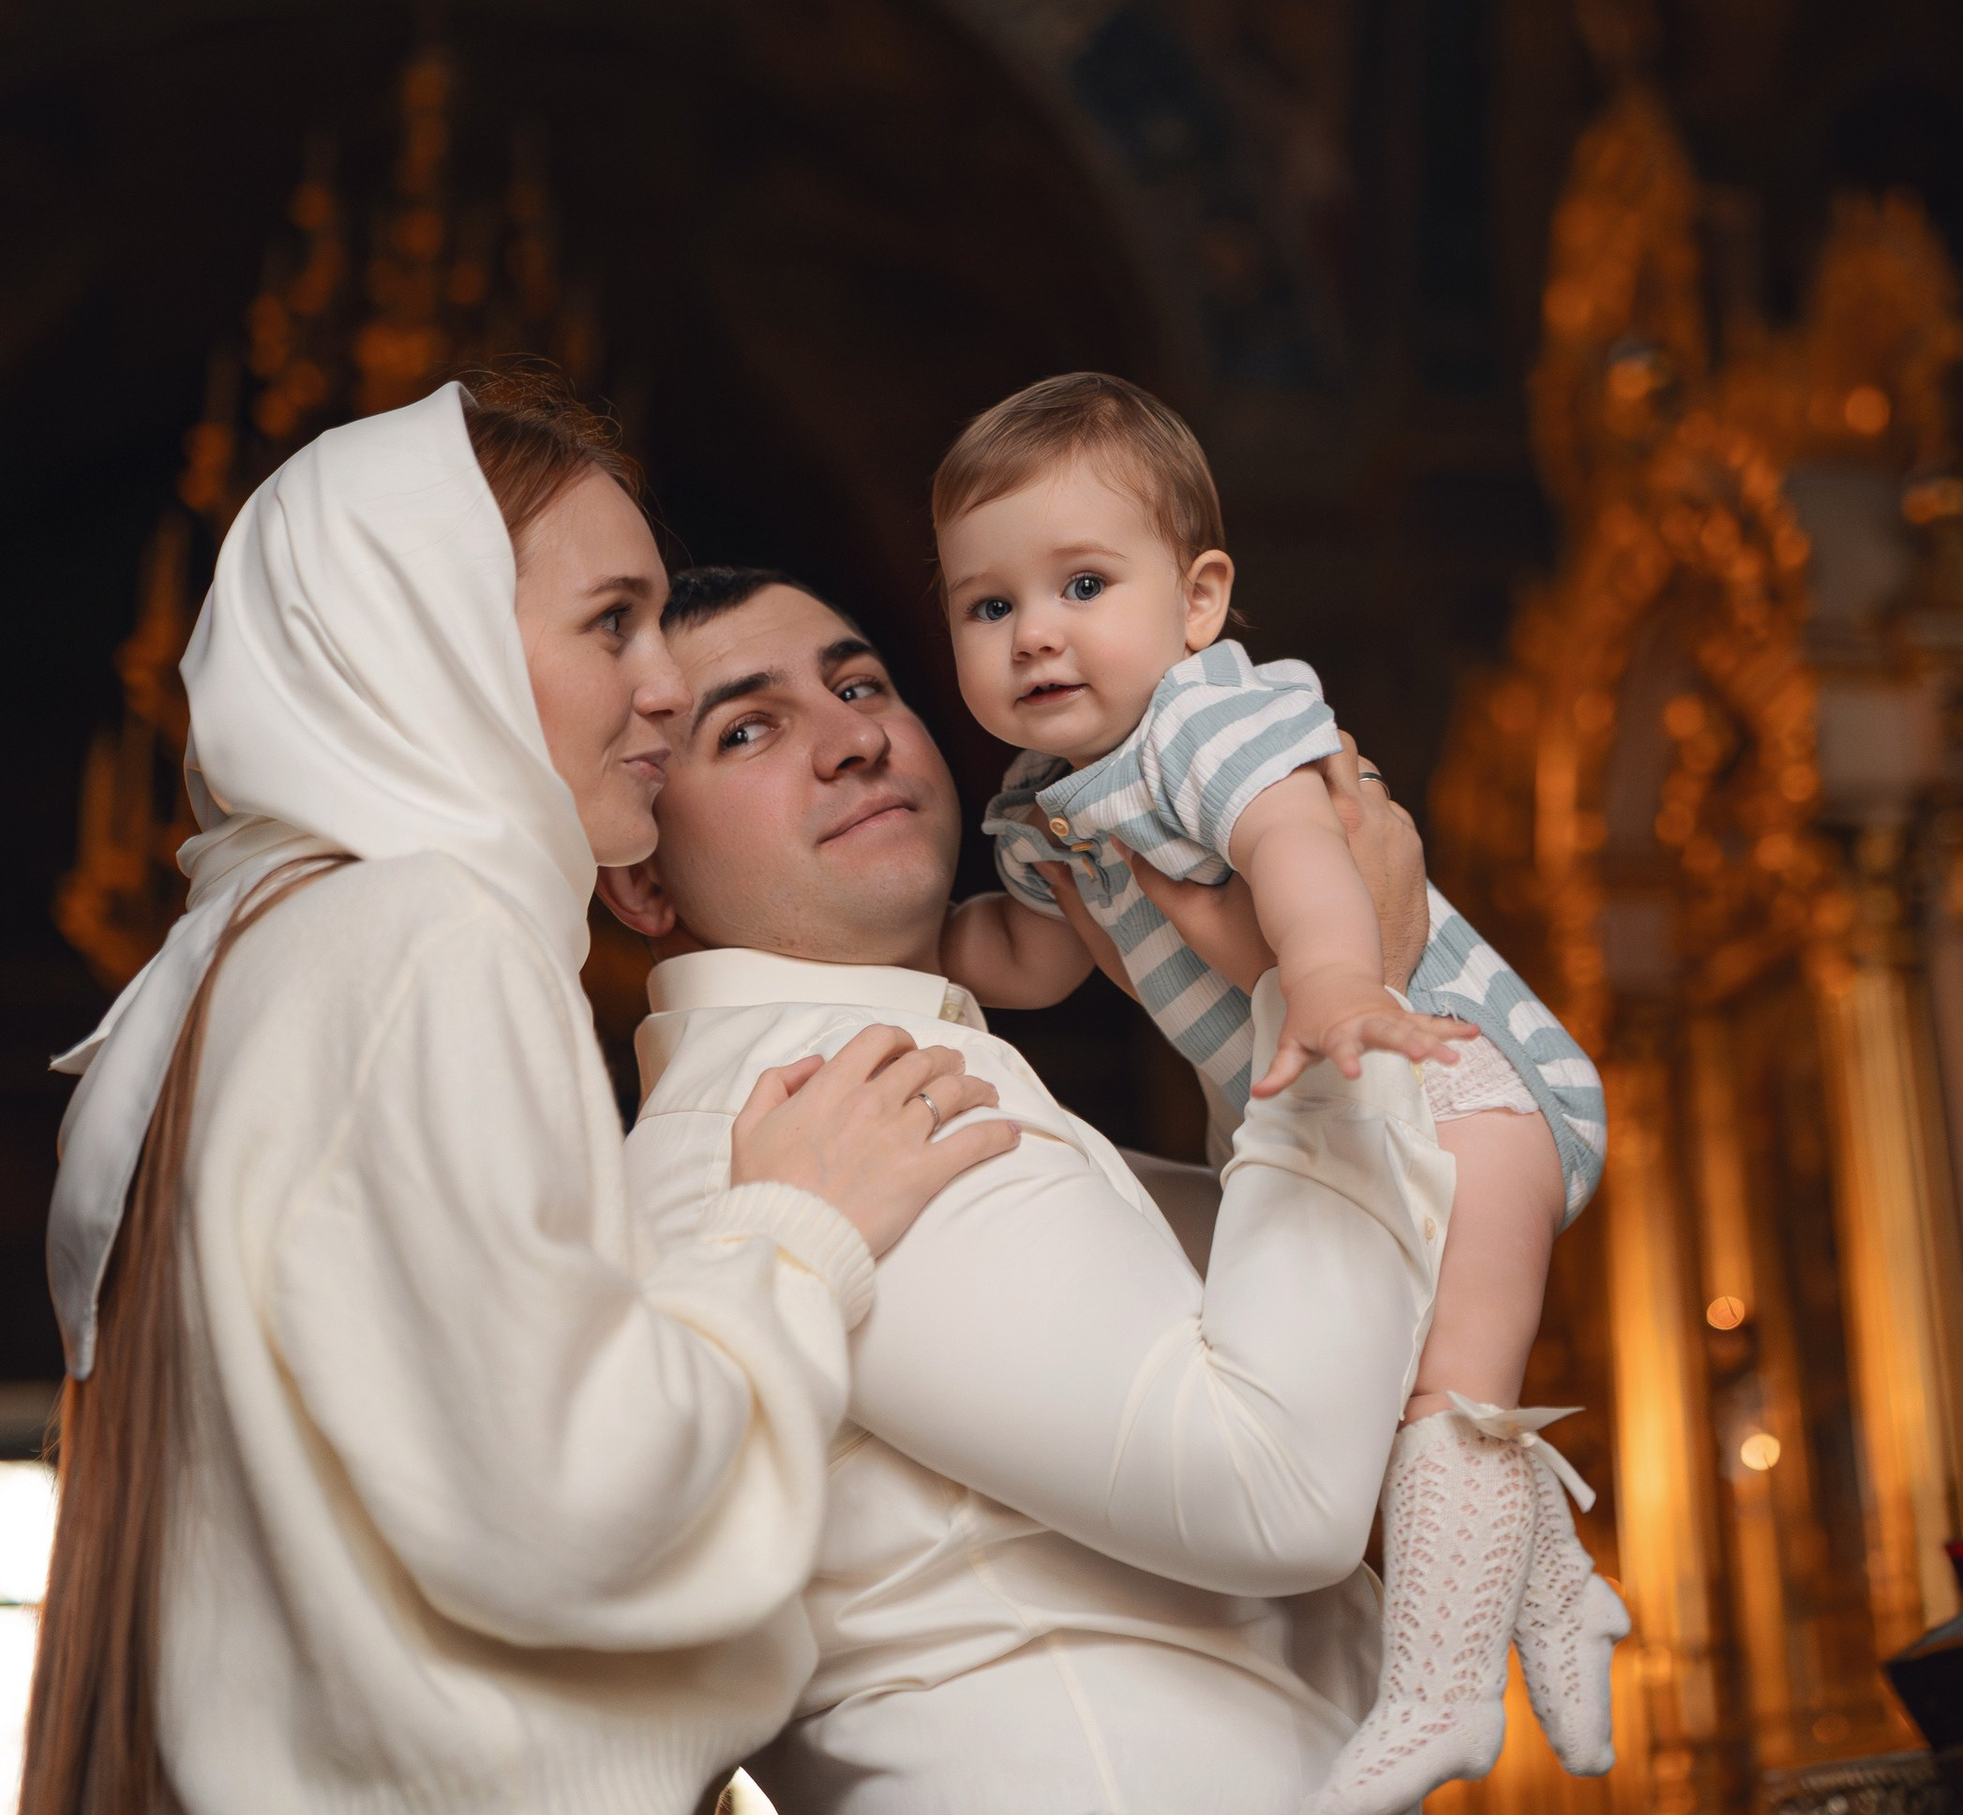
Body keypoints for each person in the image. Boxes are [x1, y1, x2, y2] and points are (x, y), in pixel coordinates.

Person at [30, 375, 1018, 1815]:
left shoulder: (265, 959)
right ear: (431, 641)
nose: (666, 684)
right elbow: (567, 1501)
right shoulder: (430, 933)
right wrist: (792, 1240)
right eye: (611, 621)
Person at [599, 565, 1454, 1815]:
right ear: (642, 880)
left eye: (859, 683)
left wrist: (1249, 998)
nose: (853, 738)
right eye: (748, 728)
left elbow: (1322, 1325)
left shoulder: (900, 1072)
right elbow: (1278, 1486)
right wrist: (1346, 999)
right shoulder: (820, 1105)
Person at [931, 374, 1625, 1813]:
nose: (1036, 631)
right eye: (987, 609)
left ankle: (1435, 1696)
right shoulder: (1040, 804)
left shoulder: (1206, 717)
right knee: (1385, 1399)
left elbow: (1299, 842)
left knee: (1456, 1384)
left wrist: (1331, 977)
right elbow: (1037, 960)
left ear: (1197, 600)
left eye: (1079, 583)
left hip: (1462, 1075)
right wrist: (909, 950)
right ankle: (1555, 1595)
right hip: (1339, 1119)